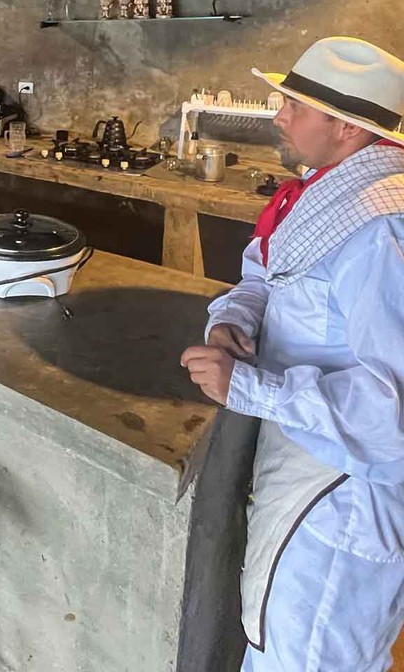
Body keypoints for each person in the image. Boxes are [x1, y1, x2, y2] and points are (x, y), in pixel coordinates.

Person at [180, 36, 404, 671]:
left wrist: (250, 387)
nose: (279, 116)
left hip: (344, 493)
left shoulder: (382, 229)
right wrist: (231, 319)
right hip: (303, 462)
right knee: (274, 641)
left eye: (295, 106)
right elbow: (265, 274)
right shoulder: (329, 193)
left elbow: (391, 414)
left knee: (310, 656)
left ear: (346, 127)